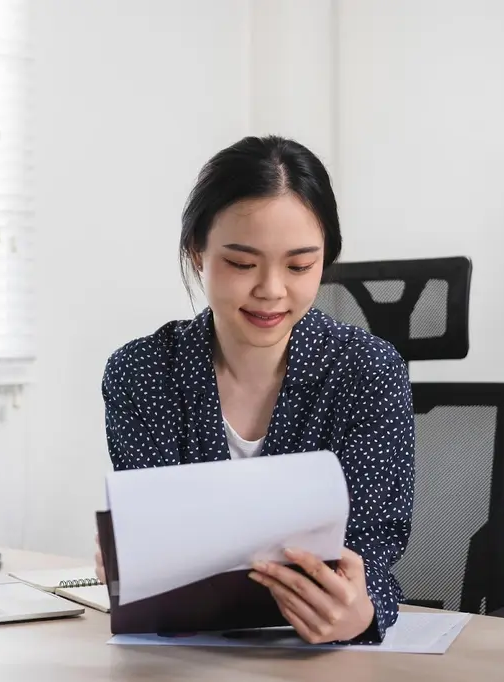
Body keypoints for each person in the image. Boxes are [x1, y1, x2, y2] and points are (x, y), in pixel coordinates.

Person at [95, 135, 415, 645]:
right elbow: (156, 538)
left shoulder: (368, 371)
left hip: (323, 658)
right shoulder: (143, 372)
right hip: (184, 659)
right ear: (197, 252)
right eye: (242, 264)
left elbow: (371, 549)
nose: (271, 289)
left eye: (299, 266)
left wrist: (360, 613)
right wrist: (129, 560)